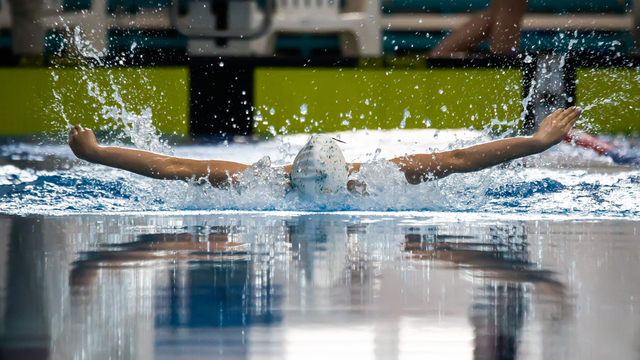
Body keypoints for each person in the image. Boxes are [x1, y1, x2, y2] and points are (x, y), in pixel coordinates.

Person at [68, 107, 582, 195]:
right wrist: (95, 153)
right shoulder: (260, 180)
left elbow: (460, 159)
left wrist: (537, 143)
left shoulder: (373, 178)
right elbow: (170, 165)